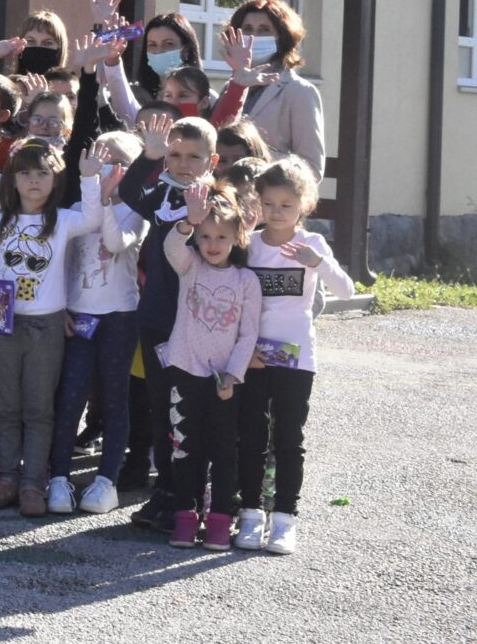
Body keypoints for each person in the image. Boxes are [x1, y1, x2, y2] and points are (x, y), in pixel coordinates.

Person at [0, 139, 104, 516]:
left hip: (47, 326)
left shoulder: (61, 221)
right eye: (25, 173)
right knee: (6, 406)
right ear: (13, 180)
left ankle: (32, 483)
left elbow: (93, 219)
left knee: (39, 407)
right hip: (4, 323)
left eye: (42, 173)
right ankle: (8, 478)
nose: (33, 180)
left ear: (55, 179)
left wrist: (90, 178)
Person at [235, 156, 351, 555]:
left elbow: (347, 291)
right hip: (252, 356)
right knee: (251, 437)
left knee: (289, 439)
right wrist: (243, 349)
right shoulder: (249, 244)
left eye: (286, 204)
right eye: (269, 203)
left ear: (305, 204)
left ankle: (285, 518)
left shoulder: (312, 244)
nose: (277, 212)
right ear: (258, 202)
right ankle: (250, 514)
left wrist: (318, 263)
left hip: (297, 359)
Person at [118, 112, 218, 530]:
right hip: (157, 319)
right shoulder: (161, 192)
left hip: (198, 325)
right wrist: (148, 155)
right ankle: (164, 491)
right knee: (161, 407)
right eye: (175, 155)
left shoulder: (217, 204)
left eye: (194, 156)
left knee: (192, 411)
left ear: (212, 161)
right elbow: (127, 191)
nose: (183, 163)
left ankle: (192, 495)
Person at [46, 130, 146, 515]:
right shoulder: (76, 208)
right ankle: (58, 477)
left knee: (114, 398)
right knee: (69, 396)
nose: (109, 168)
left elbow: (116, 242)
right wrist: (60, 308)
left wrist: (102, 201)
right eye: (102, 159)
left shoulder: (137, 212)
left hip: (120, 318)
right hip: (78, 318)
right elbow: (62, 263)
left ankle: (106, 481)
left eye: (119, 161)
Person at [163, 180, 261, 551]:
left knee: (223, 451)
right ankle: (185, 516)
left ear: (238, 237)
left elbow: (248, 334)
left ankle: (220, 518)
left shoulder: (246, 280)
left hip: (224, 381)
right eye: (205, 236)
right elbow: (172, 247)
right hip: (184, 371)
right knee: (185, 447)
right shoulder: (189, 266)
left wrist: (233, 375)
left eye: (221, 237)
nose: (213, 245)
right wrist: (189, 221)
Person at [222, 0, 325, 173]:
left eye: (264, 30)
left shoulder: (299, 91)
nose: (253, 37)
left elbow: (312, 167)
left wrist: (254, 157)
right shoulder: (230, 88)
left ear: (282, 37)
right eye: (247, 29)